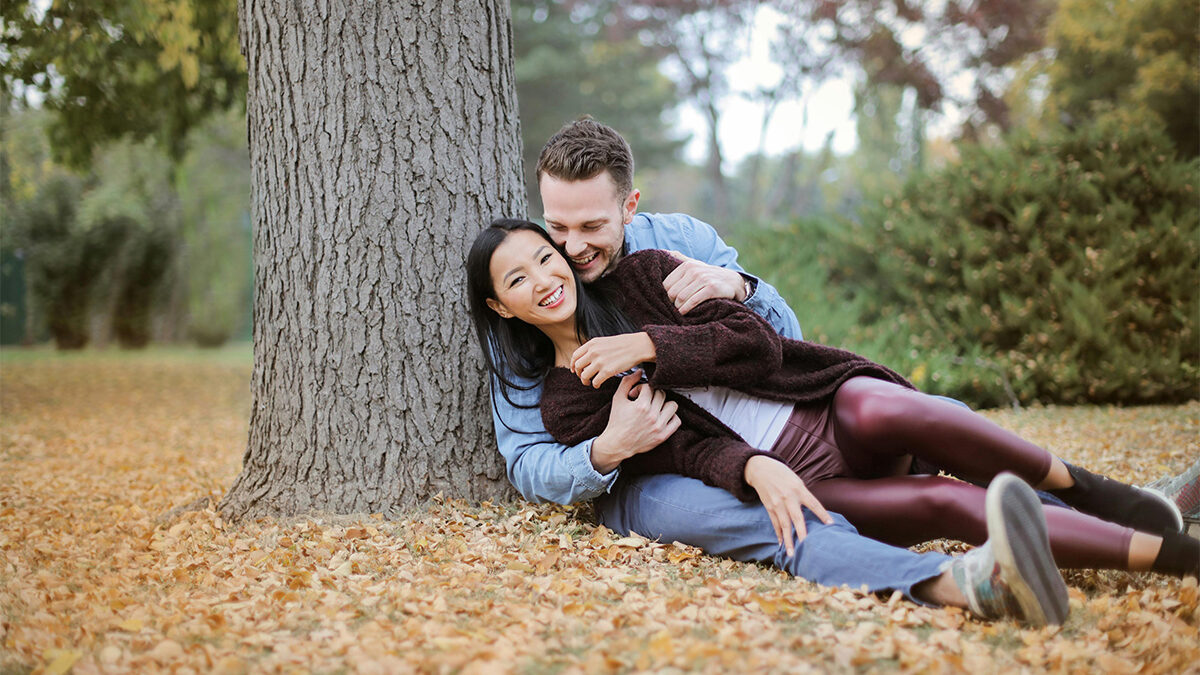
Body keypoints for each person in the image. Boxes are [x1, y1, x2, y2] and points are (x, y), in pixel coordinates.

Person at [469, 218, 1199, 581]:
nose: (543, 276)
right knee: (940, 505)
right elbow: (684, 452)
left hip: (821, 402)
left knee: (898, 410)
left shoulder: (645, 274)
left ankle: (1091, 488)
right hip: (805, 475)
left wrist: (652, 344)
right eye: (517, 279)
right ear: (503, 308)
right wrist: (752, 467)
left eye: (544, 255)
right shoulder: (568, 404)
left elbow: (757, 342)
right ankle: (1171, 555)